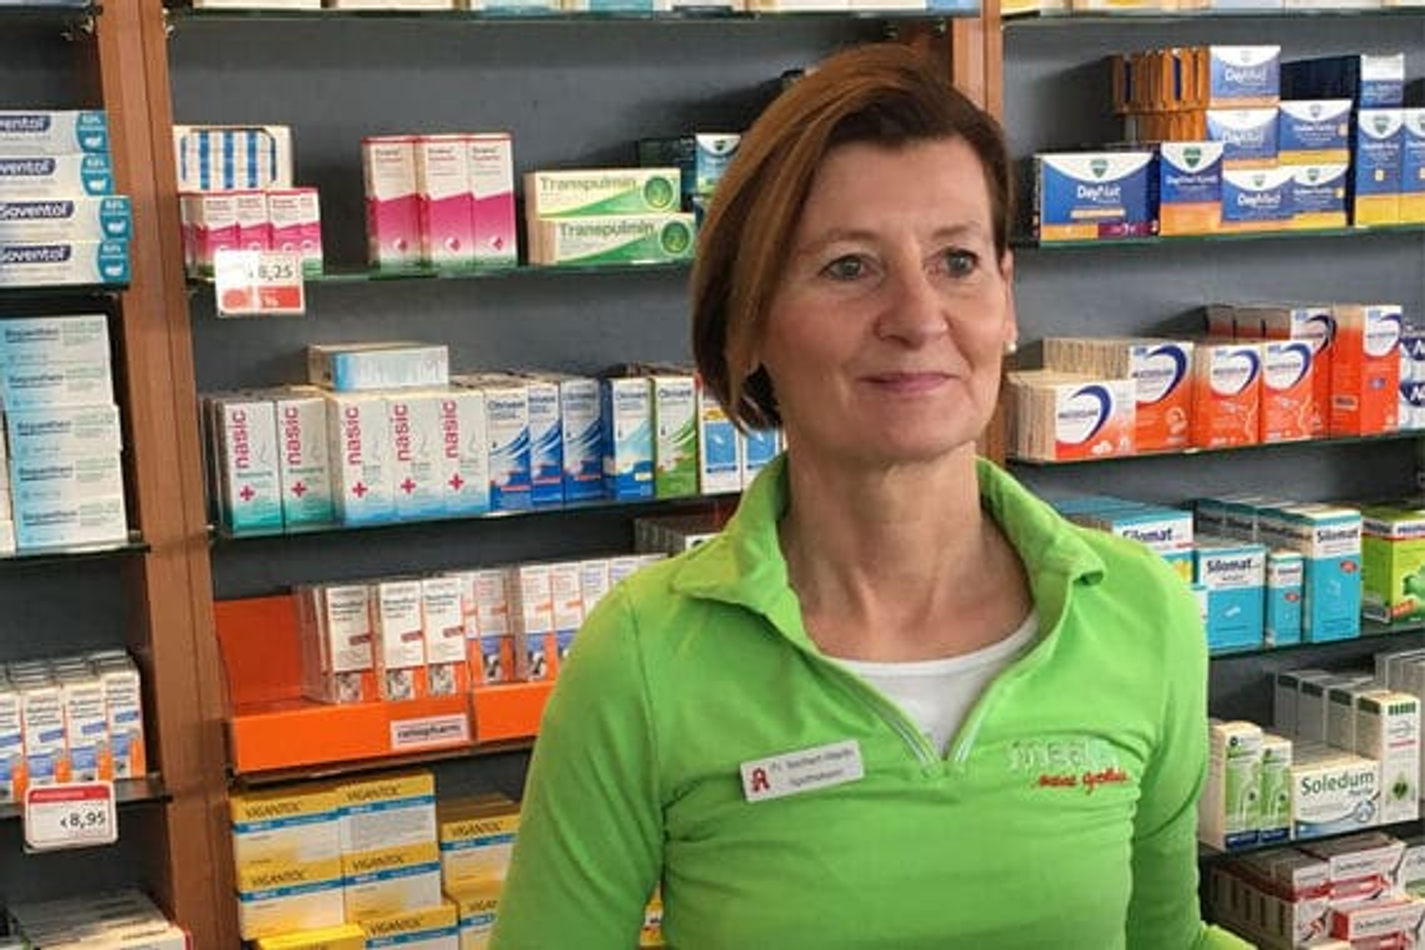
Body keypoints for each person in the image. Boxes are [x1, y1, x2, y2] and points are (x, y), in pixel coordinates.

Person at [490, 42, 1252, 950]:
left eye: (956, 261)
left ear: (1007, 300)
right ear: (746, 322)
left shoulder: (1140, 614)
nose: (918, 318)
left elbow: (1164, 942)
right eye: (849, 267)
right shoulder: (646, 655)